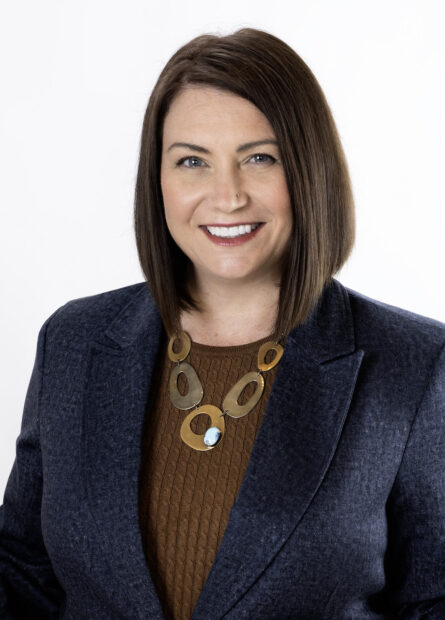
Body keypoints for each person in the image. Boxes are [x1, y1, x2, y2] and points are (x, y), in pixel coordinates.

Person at [1, 26, 444, 620]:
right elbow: (24, 577)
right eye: (192, 161)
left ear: (310, 173)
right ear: (156, 180)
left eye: (259, 158)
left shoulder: (412, 366)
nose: (227, 196)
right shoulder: (74, 342)